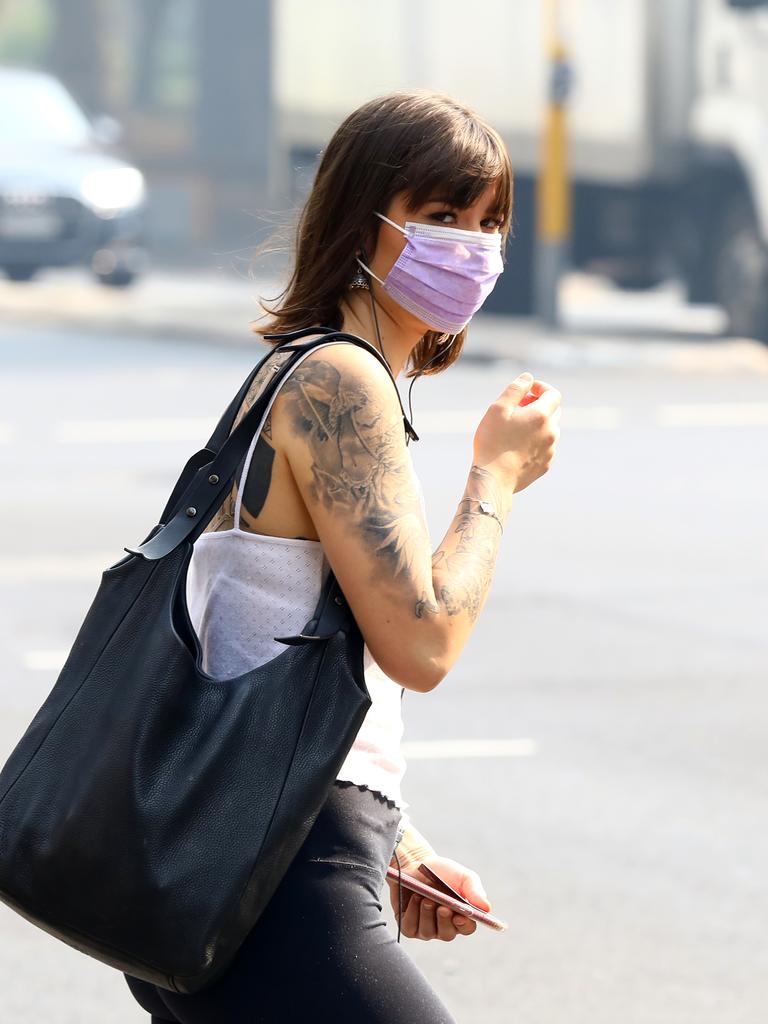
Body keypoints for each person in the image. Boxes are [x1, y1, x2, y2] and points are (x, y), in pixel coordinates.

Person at [123, 88, 561, 1023]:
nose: (474, 249)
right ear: (360, 221)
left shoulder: (303, 370)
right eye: (441, 217)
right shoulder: (339, 381)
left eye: (491, 223)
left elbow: (260, 636)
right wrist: (496, 475)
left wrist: (398, 843)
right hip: (282, 880)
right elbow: (424, 643)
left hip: (247, 851)